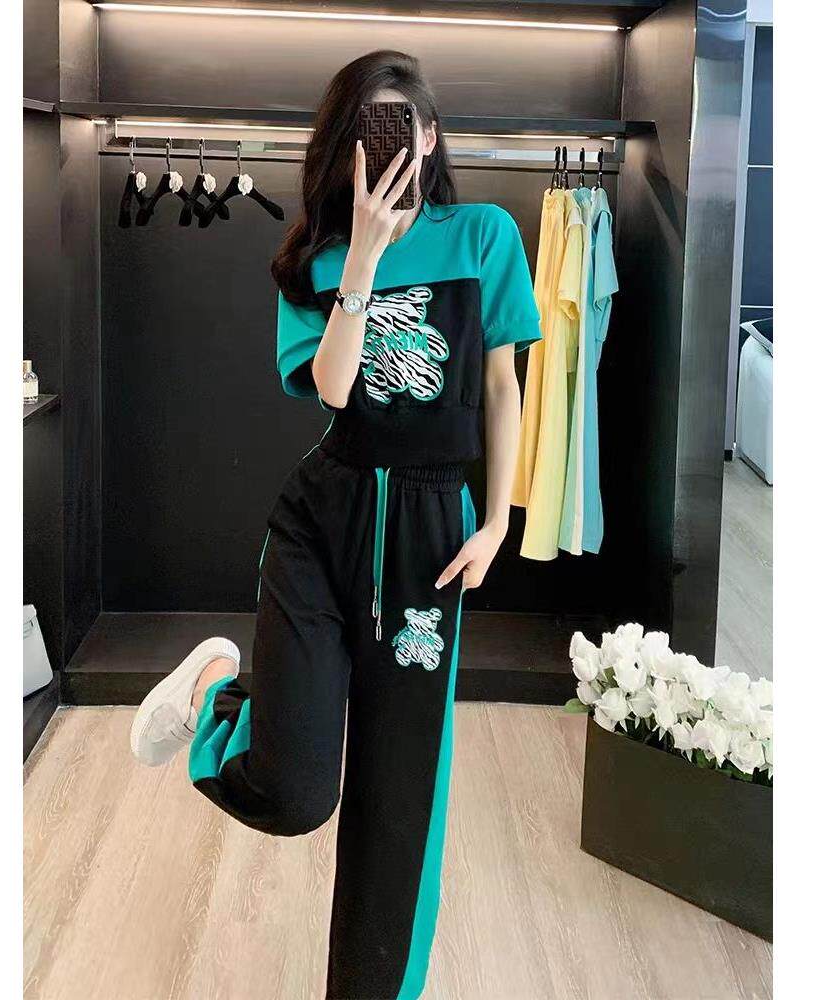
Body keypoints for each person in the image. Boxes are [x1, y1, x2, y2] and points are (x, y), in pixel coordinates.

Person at [129, 49, 541, 1000]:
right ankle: (215, 694)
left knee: (401, 806)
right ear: (343, 146)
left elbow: (501, 386)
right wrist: (362, 258)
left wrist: (499, 523)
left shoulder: (484, 236)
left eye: (404, 124)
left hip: (434, 540)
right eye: (367, 128)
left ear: (431, 138)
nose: (389, 144)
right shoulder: (312, 259)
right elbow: (334, 387)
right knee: (295, 794)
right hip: (323, 525)